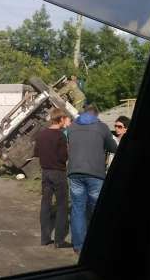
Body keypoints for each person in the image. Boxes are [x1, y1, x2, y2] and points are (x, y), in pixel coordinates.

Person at [67, 104, 118, 255]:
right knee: (98, 209)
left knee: (78, 210)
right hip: (95, 174)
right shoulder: (101, 127)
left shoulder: (72, 127)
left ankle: (79, 246)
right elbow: (114, 148)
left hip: (75, 173)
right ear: (96, 115)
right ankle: (99, 244)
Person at [33, 108, 71, 248]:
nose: (65, 122)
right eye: (64, 119)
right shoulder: (60, 136)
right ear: (60, 119)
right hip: (58, 172)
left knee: (45, 204)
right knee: (61, 206)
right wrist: (67, 149)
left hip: (45, 172)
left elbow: (36, 152)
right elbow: (64, 157)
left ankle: (45, 238)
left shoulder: (41, 134)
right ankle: (59, 240)